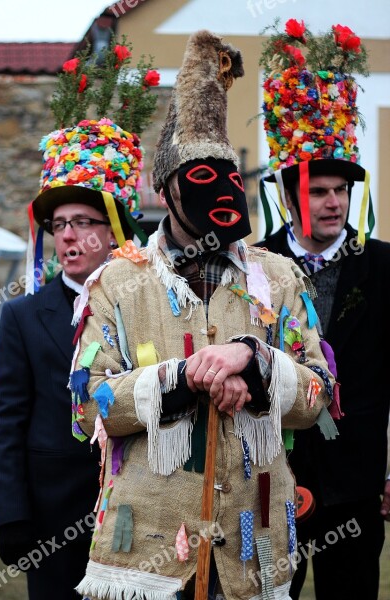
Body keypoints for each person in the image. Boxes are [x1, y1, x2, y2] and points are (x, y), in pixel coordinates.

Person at [70, 30, 336, 600]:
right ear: (164, 192)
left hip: (252, 543)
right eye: (198, 180)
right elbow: (84, 402)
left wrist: (255, 362)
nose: (220, 196)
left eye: (229, 180)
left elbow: (320, 395)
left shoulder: (281, 276)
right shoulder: (117, 281)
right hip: (148, 549)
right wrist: (181, 377)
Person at [0, 35, 157, 600]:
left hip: (139, 509)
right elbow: (6, 423)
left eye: (84, 220)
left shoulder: (151, 300)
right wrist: (11, 515)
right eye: (59, 223)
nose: (68, 234)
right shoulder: (20, 315)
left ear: (114, 230)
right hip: (51, 517)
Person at [255, 18, 390, 600]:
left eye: (341, 190)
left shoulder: (383, 266)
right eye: (317, 190)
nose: (333, 202)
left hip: (355, 478)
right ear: (288, 196)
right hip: (269, 477)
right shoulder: (251, 265)